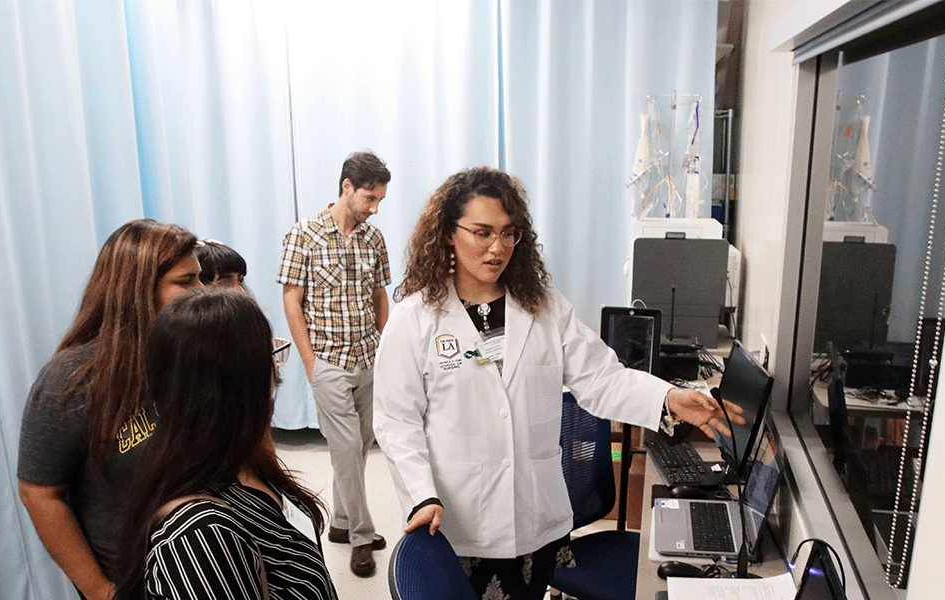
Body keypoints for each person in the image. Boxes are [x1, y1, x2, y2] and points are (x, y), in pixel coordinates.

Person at [372, 167, 746, 600]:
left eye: (509, 233)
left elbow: (602, 380)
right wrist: (420, 493)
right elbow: (396, 420)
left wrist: (668, 396)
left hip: (536, 520)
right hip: (457, 521)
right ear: (448, 233)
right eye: (482, 232)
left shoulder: (543, 308)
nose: (497, 248)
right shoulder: (414, 319)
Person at [18, 219, 203, 600]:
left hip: (205, 563)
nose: (202, 292)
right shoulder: (71, 380)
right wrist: (101, 591)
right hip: (134, 580)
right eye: (185, 283)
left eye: (199, 278)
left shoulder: (189, 356)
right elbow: (41, 494)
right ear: (136, 290)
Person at [114, 287, 337, 600]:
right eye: (270, 357)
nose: (277, 372)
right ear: (245, 384)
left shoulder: (247, 465)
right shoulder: (200, 538)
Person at [277, 150, 392, 576]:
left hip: (368, 358)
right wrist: (309, 363)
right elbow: (292, 299)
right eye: (369, 197)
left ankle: (342, 523)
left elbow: (379, 295)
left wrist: (387, 347)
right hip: (327, 361)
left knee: (358, 448)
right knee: (345, 449)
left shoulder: (372, 238)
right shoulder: (304, 234)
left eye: (380, 199)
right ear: (347, 188)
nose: (374, 208)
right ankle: (362, 537)